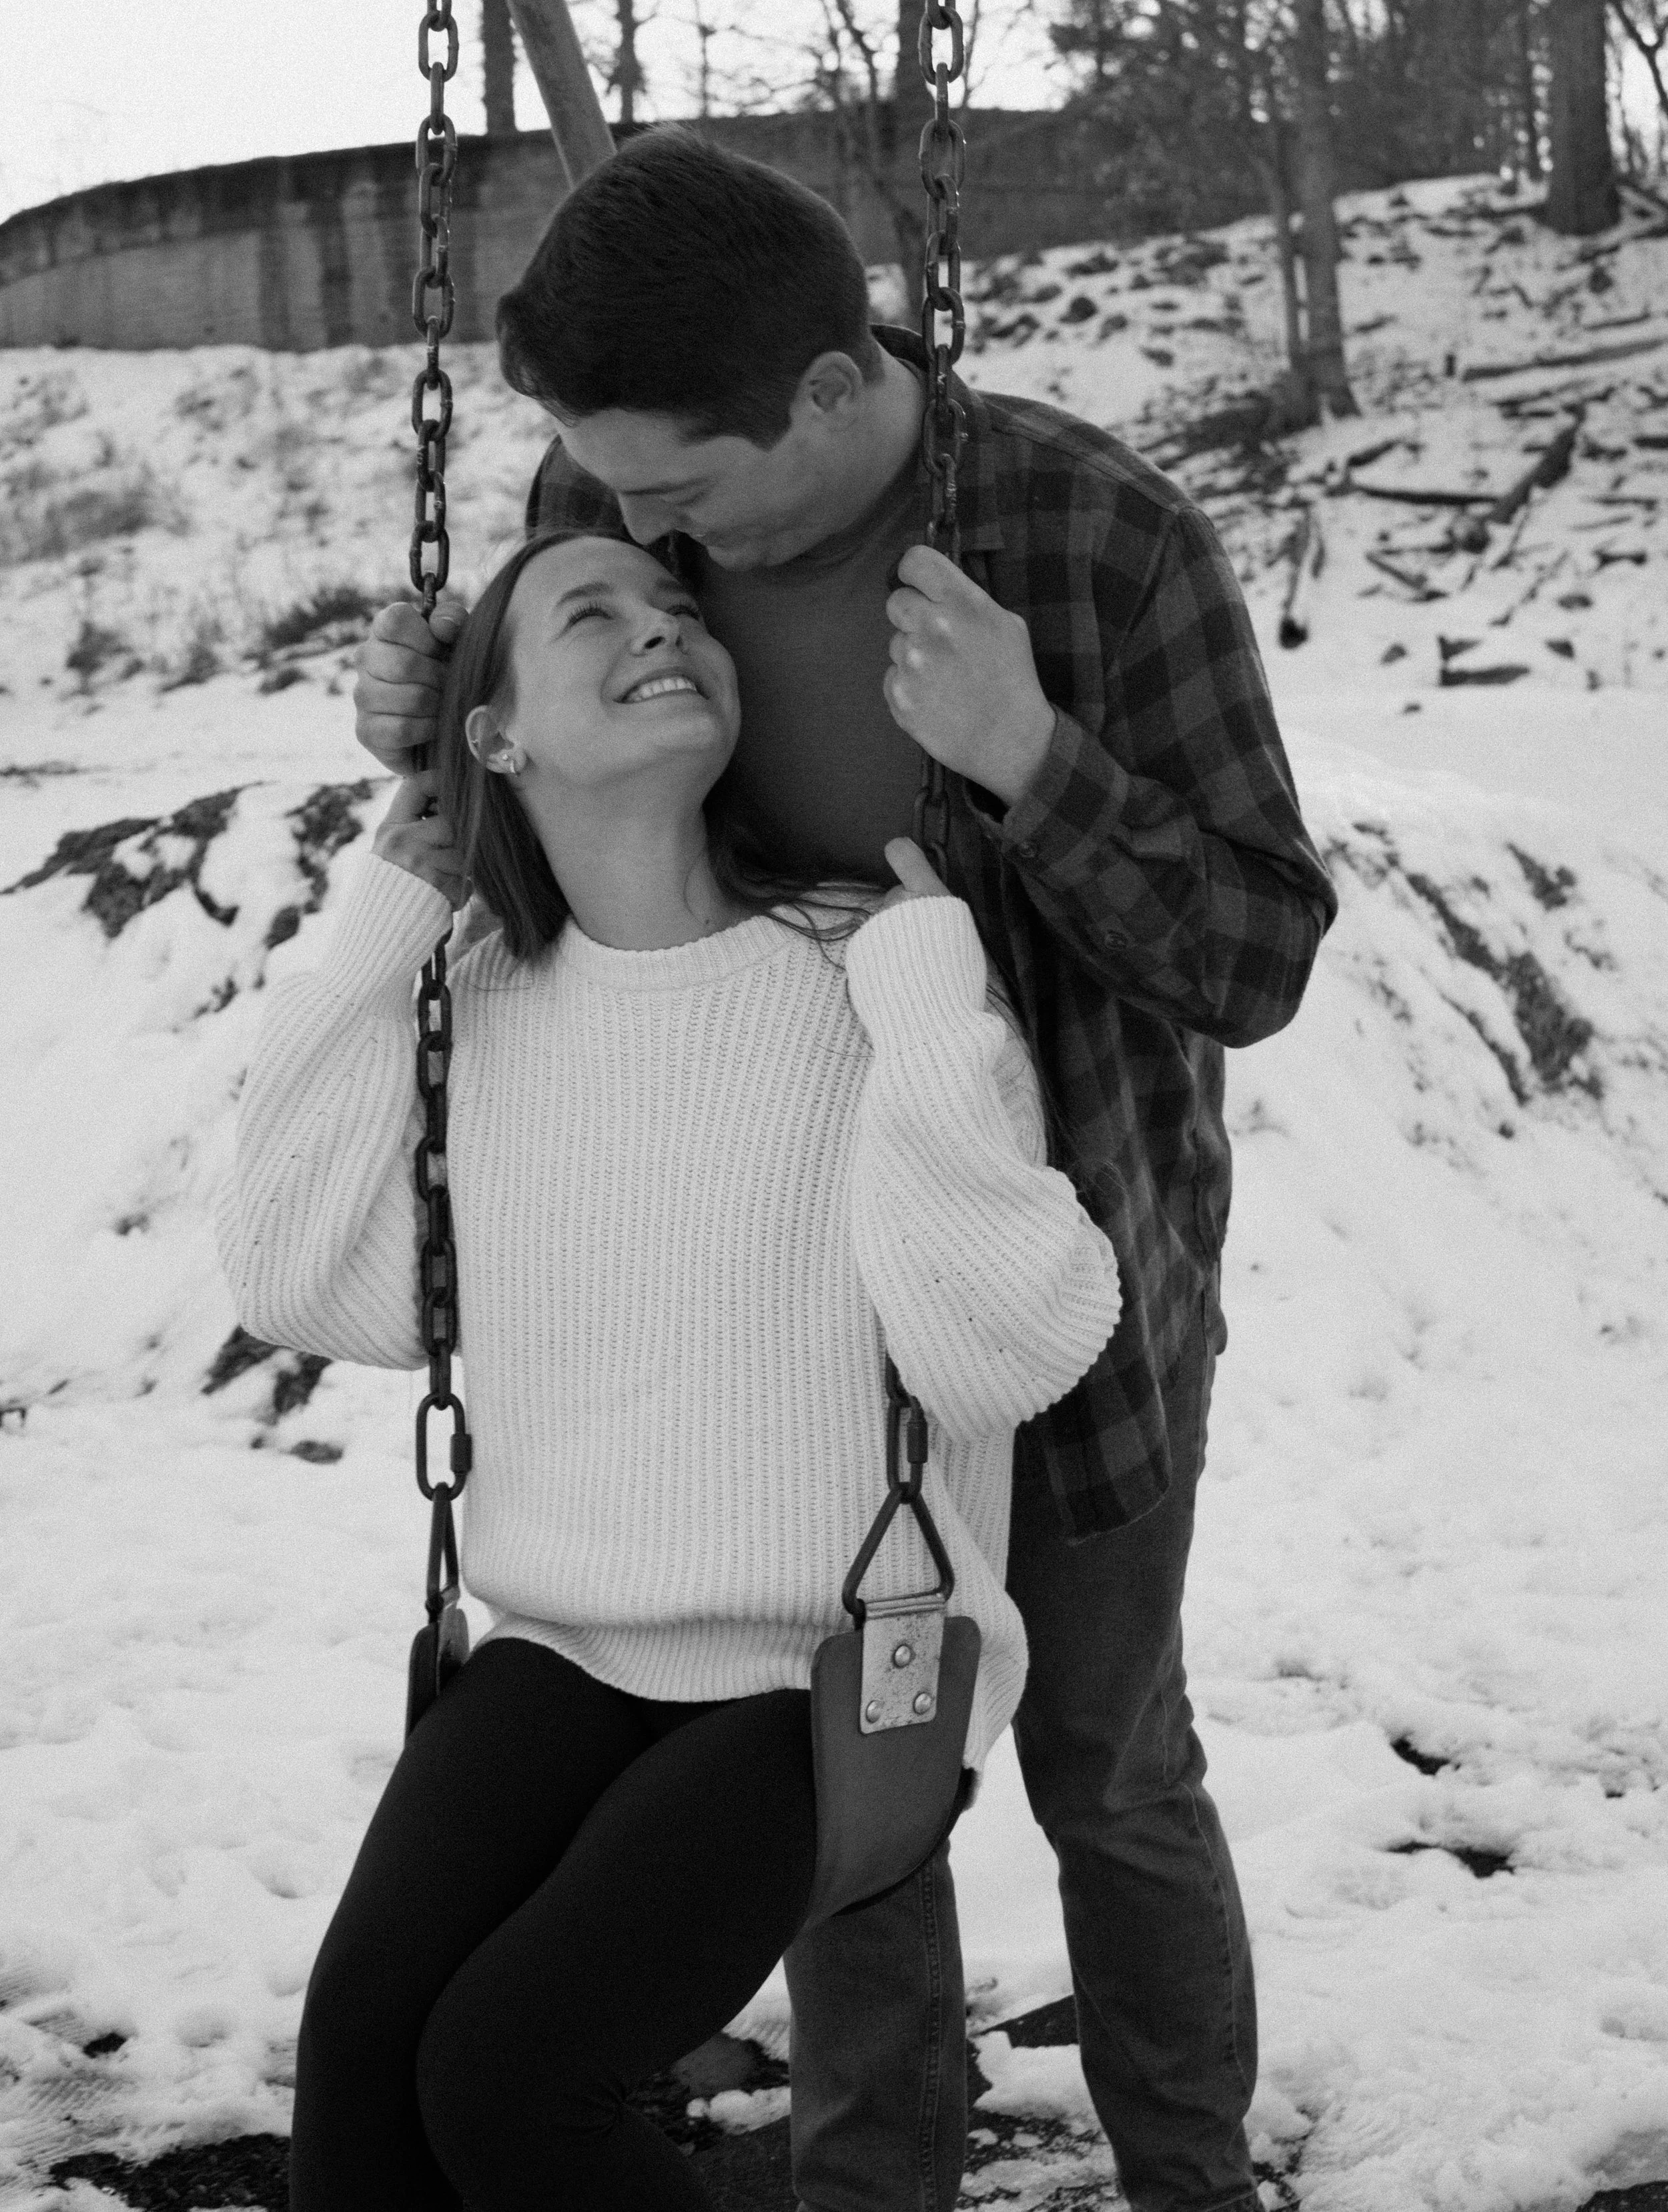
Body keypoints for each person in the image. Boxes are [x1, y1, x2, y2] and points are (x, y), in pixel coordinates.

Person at [354, 131, 1339, 2212]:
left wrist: (1032, 761)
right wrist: (429, 724)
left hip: (1062, 1277)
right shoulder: (609, 505)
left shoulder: (1095, 541)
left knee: (1104, 1763)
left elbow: (1253, 954)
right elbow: (554, 787)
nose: (639, 533)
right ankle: (867, 2191)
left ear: (822, 387)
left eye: (683, 494)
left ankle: (1188, 2178)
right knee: (841, 1791)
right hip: (775, 1306)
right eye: (609, 489)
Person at [220, 525, 1124, 2212]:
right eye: (595, 613)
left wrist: (930, 1002)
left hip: (820, 1674)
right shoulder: (476, 995)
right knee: (360, 2064)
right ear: (494, 735)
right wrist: (379, 931)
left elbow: (1005, 1348)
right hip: (564, 1642)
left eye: (679, 609)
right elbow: (298, 1279)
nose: (663, 630)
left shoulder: (867, 964)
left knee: (506, 2075)